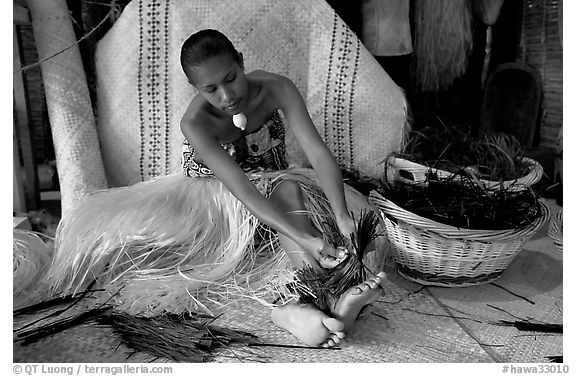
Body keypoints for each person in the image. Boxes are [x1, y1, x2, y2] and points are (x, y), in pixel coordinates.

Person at [46, 29, 386, 348]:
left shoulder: (276, 87)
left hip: (277, 188)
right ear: (194, 87)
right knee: (285, 199)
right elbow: (243, 190)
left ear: (240, 61)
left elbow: (317, 152)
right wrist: (305, 239)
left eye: (231, 78)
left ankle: (299, 307)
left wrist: (341, 214)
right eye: (210, 89)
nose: (227, 96)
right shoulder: (194, 123)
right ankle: (326, 296)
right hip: (219, 202)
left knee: (292, 191)